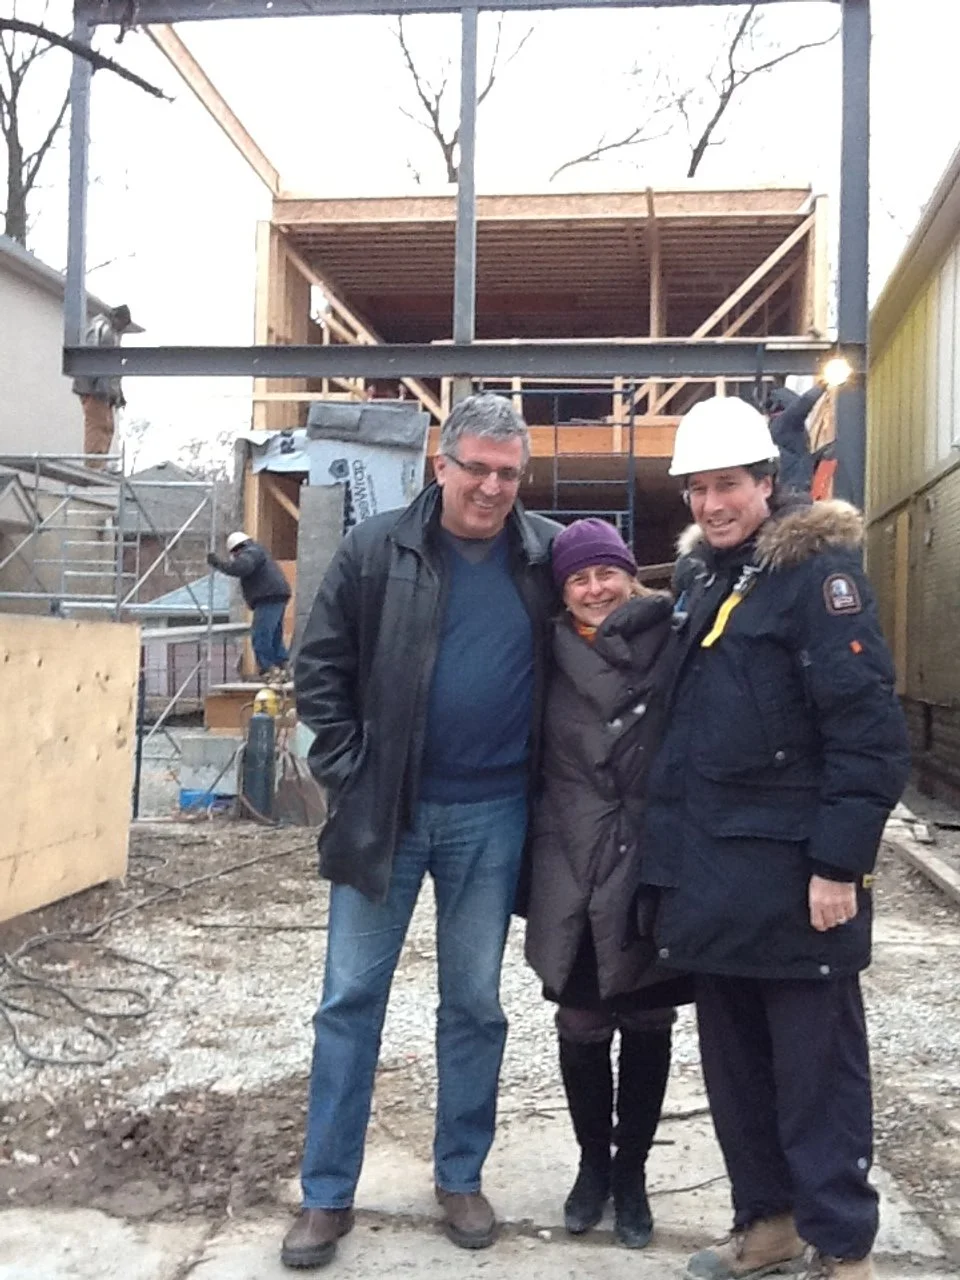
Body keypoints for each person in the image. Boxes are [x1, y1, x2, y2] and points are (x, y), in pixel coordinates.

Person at [284, 393, 558, 1270]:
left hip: (494, 816)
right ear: (441, 463)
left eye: (508, 473)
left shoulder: (544, 554)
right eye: (474, 467)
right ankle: (327, 1196)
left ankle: (460, 1175)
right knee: (347, 1003)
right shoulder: (377, 550)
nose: (489, 487)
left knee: (474, 1004)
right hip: (387, 813)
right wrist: (346, 766)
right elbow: (318, 663)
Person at [641, 396, 910, 1280]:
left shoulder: (820, 579)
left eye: (729, 486)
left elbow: (867, 728)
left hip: (799, 878)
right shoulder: (704, 579)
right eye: (698, 490)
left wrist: (841, 861)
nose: (712, 504)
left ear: (768, 482)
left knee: (816, 1079)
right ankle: (768, 1223)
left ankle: (842, 1248)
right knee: (738, 1072)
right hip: (716, 874)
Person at [524, 518, 692, 1249]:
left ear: (630, 574)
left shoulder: (674, 639)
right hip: (573, 860)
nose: (596, 589)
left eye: (606, 573)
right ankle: (593, 1166)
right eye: (579, 579)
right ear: (563, 592)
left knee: (648, 1023)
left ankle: (632, 1176)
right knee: (584, 1023)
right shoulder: (544, 652)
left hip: (651, 859)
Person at [207, 532, 291, 679]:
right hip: (276, 595)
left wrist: (219, 564)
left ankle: (269, 669)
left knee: (261, 636)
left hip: (267, 596)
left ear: (236, 550)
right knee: (274, 635)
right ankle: (281, 666)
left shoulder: (250, 553)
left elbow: (241, 568)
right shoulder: (258, 551)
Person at [71, 304, 136, 465]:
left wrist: (118, 394)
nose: (123, 328)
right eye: (123, 323)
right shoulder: (102, 329)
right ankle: (94, 464)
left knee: (107, 427)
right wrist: (98, 384)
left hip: (103, 390)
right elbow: (95, 358)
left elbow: (112, 369)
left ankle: (101, 462)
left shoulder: (110, 333)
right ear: (117, 318)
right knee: (98, 425)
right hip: (94, 389)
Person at [766, 380, 826, 494]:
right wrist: (823, 384)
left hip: (792, 488)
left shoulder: (779, 428)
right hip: (794, 490)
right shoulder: (785, 421)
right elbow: (804, 403)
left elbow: (798, 456)